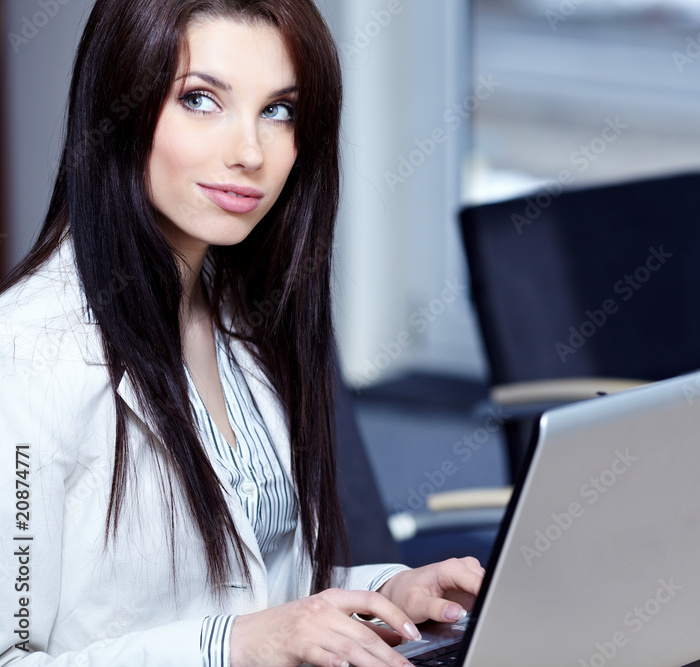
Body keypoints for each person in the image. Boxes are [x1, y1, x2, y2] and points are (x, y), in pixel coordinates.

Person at [0, 1, 482, 665]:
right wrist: (233, 646)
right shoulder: (24, 355)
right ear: (117, 106)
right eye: (200, 100)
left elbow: (262, 591)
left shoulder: (246, 318)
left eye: (278, 110)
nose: (251, 152)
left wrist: (385, 592)